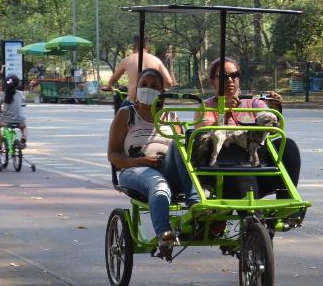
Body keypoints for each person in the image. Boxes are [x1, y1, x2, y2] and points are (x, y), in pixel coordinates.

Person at [107, 68, 200, 253]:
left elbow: (181, 152)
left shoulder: (171, 116)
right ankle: (164, 234)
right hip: (134, 170)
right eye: (144, 85)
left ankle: (196, 204)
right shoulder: (126, 114)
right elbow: (113, 155)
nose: (148, 89)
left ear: (161, 92)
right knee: (159, 186)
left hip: (167, 169)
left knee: (179, 143)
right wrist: (143, 161)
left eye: (154, 86)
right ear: (136, 88)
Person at [194, 57, 301, 199]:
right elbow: (205, 134)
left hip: (256, 162)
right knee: (237, 159)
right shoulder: (206, 107)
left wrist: (274, 108)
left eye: (234, 75)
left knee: (288, 145)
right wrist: (224, 111)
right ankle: (253, 216)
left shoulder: (253, 102)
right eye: (224, 76)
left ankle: (286, 204)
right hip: (226, 167)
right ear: (213, 80)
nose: (230, 80)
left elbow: (274, 126)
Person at [103, 35, 175, 110]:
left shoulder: (128, 60)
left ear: (134, 46)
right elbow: (169, 82)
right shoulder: (156, 60)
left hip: (133, 102)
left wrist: (109, 87)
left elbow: (114, 78)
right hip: (153, 103)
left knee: (121, 113)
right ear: (148, 46)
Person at [0, 75, 27, 152]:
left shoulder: (3, 95)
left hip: (7, 120)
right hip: (19, 119)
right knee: (23, 127)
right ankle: (24, 137)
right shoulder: (20, 94)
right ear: (17, 84)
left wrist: (0, 112)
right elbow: (23, 101)